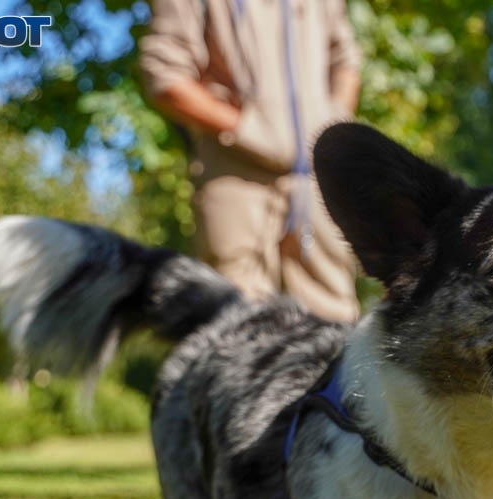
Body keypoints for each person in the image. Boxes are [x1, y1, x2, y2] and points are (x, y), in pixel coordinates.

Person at [139, 0, 363, 322]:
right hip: (234, 172)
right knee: (235, 320)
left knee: (335, 319)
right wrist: (246, 129)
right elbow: (164, 74)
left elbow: (345, 59)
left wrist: (334, 122)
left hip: (316, 177)